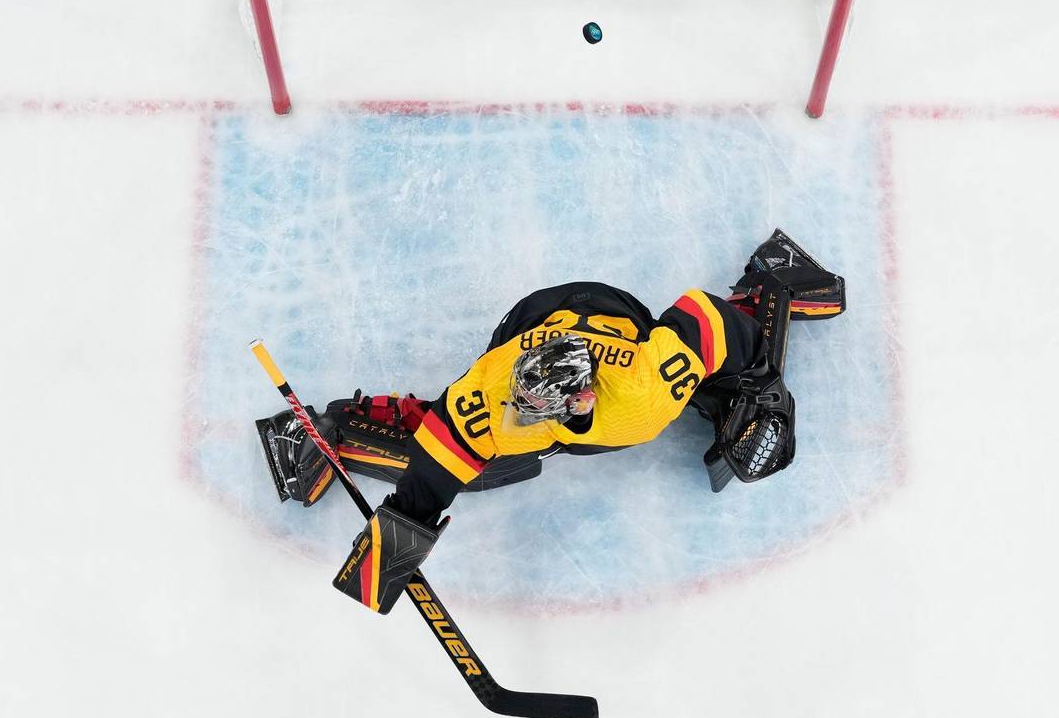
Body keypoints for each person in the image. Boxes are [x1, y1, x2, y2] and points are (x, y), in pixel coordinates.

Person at [256, 229, 845, 613]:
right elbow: (435, 463)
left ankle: (766, 286)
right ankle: (335, 429)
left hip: (616, 316)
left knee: (712, 373)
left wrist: (759, 368)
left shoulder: (639, 395)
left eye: (540, 409)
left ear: (580, 400)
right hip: (531, 319)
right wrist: (399, 533)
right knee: (484, 457)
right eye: (525, 404)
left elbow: (702, 317)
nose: (521, 414)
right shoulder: (493, 386)